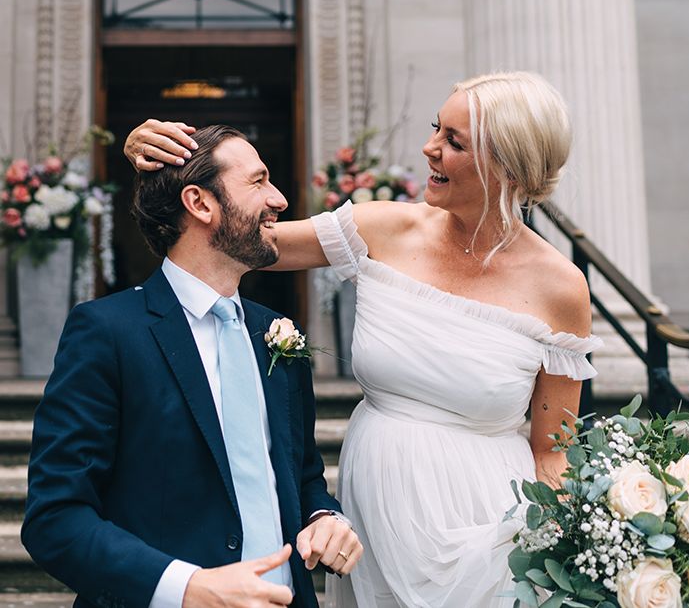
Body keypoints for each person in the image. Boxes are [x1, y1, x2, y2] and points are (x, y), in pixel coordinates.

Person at [124, 72, 603, 607]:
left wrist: (554, 552)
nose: (429, 148)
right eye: (435, 129)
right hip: (375, 520)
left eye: (454, 142)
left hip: (491, 524)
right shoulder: (380, 228)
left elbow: (552, 450)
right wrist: (155, 158)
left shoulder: (562, 288)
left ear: (507, 166)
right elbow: (234, 234)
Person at [22, 124, 363, 608]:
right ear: (200, 203)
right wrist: (187, 588)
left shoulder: (277, 334)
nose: (280, 199)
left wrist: (324, 518)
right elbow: (54, 519)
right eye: (259, 181)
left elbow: (302, 475)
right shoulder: (106, 333)